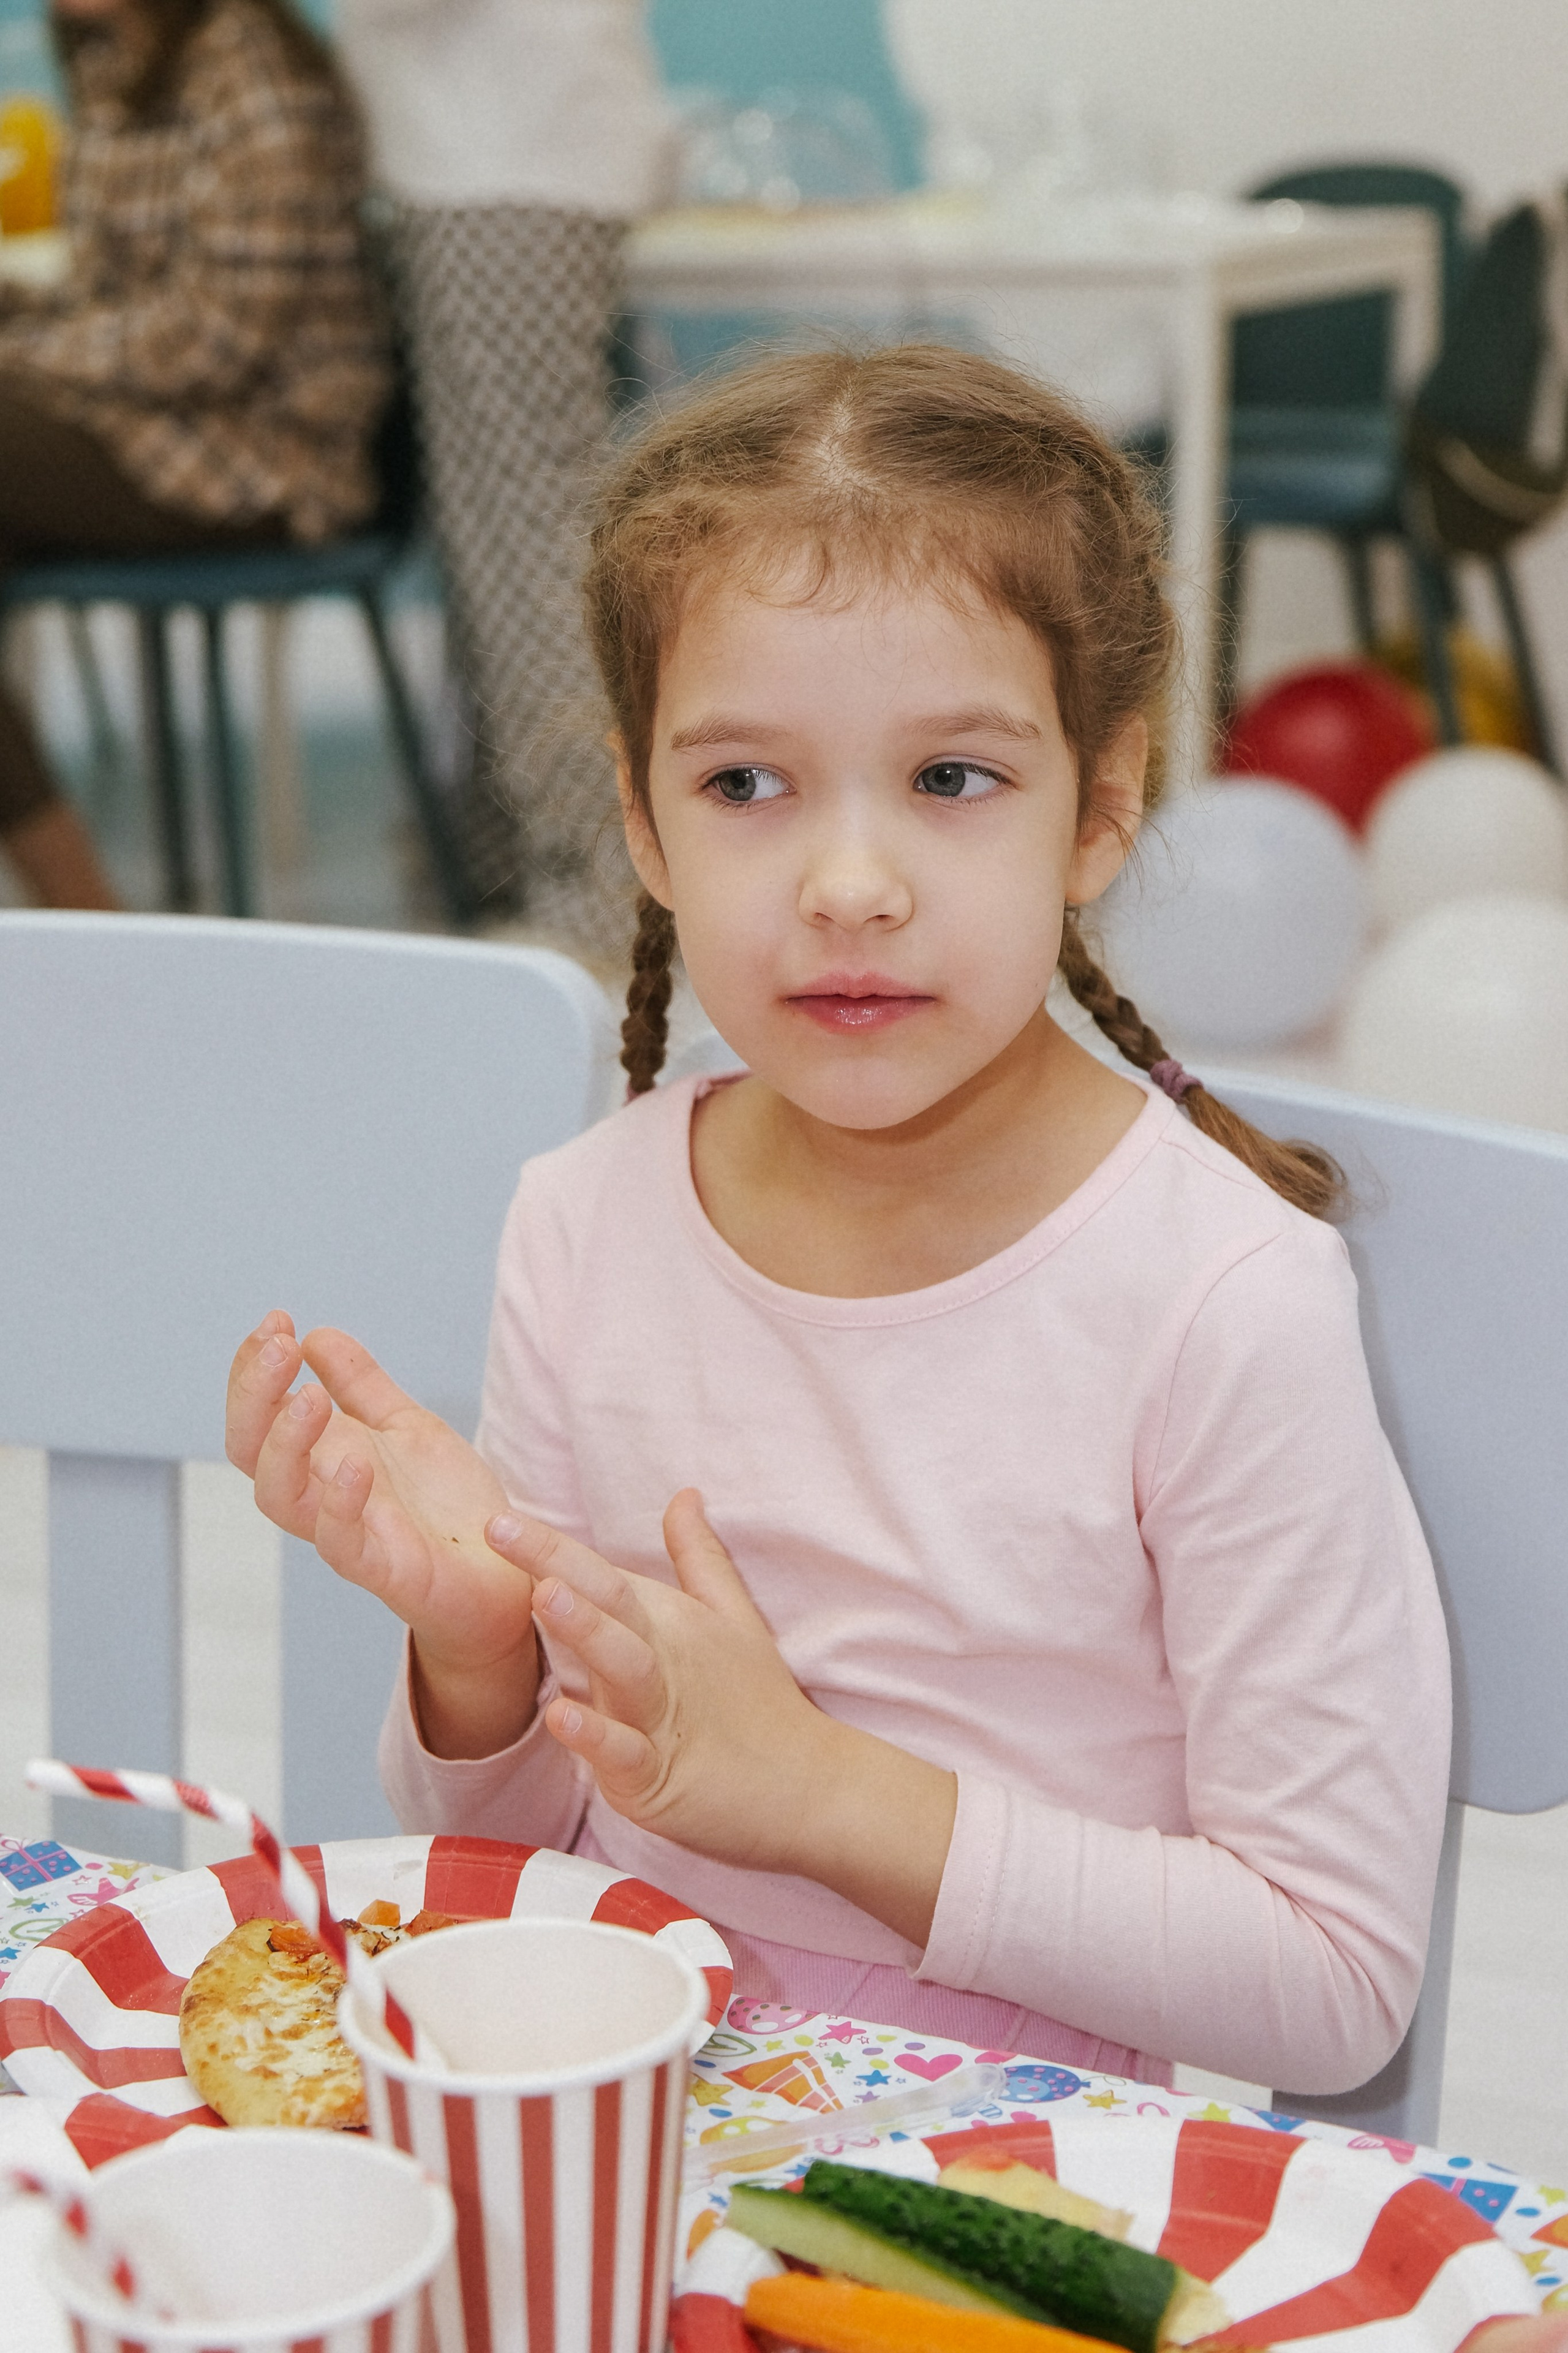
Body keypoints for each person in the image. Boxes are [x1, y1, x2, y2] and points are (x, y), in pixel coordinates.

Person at [225, 345, 1451, 2093]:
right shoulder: (584, 1220)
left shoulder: (1224, 1296)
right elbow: (511, 1854)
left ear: (1102, 803)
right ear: (644, 824)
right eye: (745, 785)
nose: (850, 885)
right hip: (632, 2140)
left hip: (1010, 2187)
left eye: (951, 778)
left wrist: (819, 1794)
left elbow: (1332, 1980)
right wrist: (480, 1654)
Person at [0, 0, 389, 909]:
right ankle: (82, 908)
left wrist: (20, 348)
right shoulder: (113, 61)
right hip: (147, 428)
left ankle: (81, 908)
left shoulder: (253, 76)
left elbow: (215, 339)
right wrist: (21, 310)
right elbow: (109, 293)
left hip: (259, 461)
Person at [333, 0, 668, 939]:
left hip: (502, 166)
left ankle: (603, 872)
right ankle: (512, 862)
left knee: (527, 542)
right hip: (499, 157)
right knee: (499, 542)